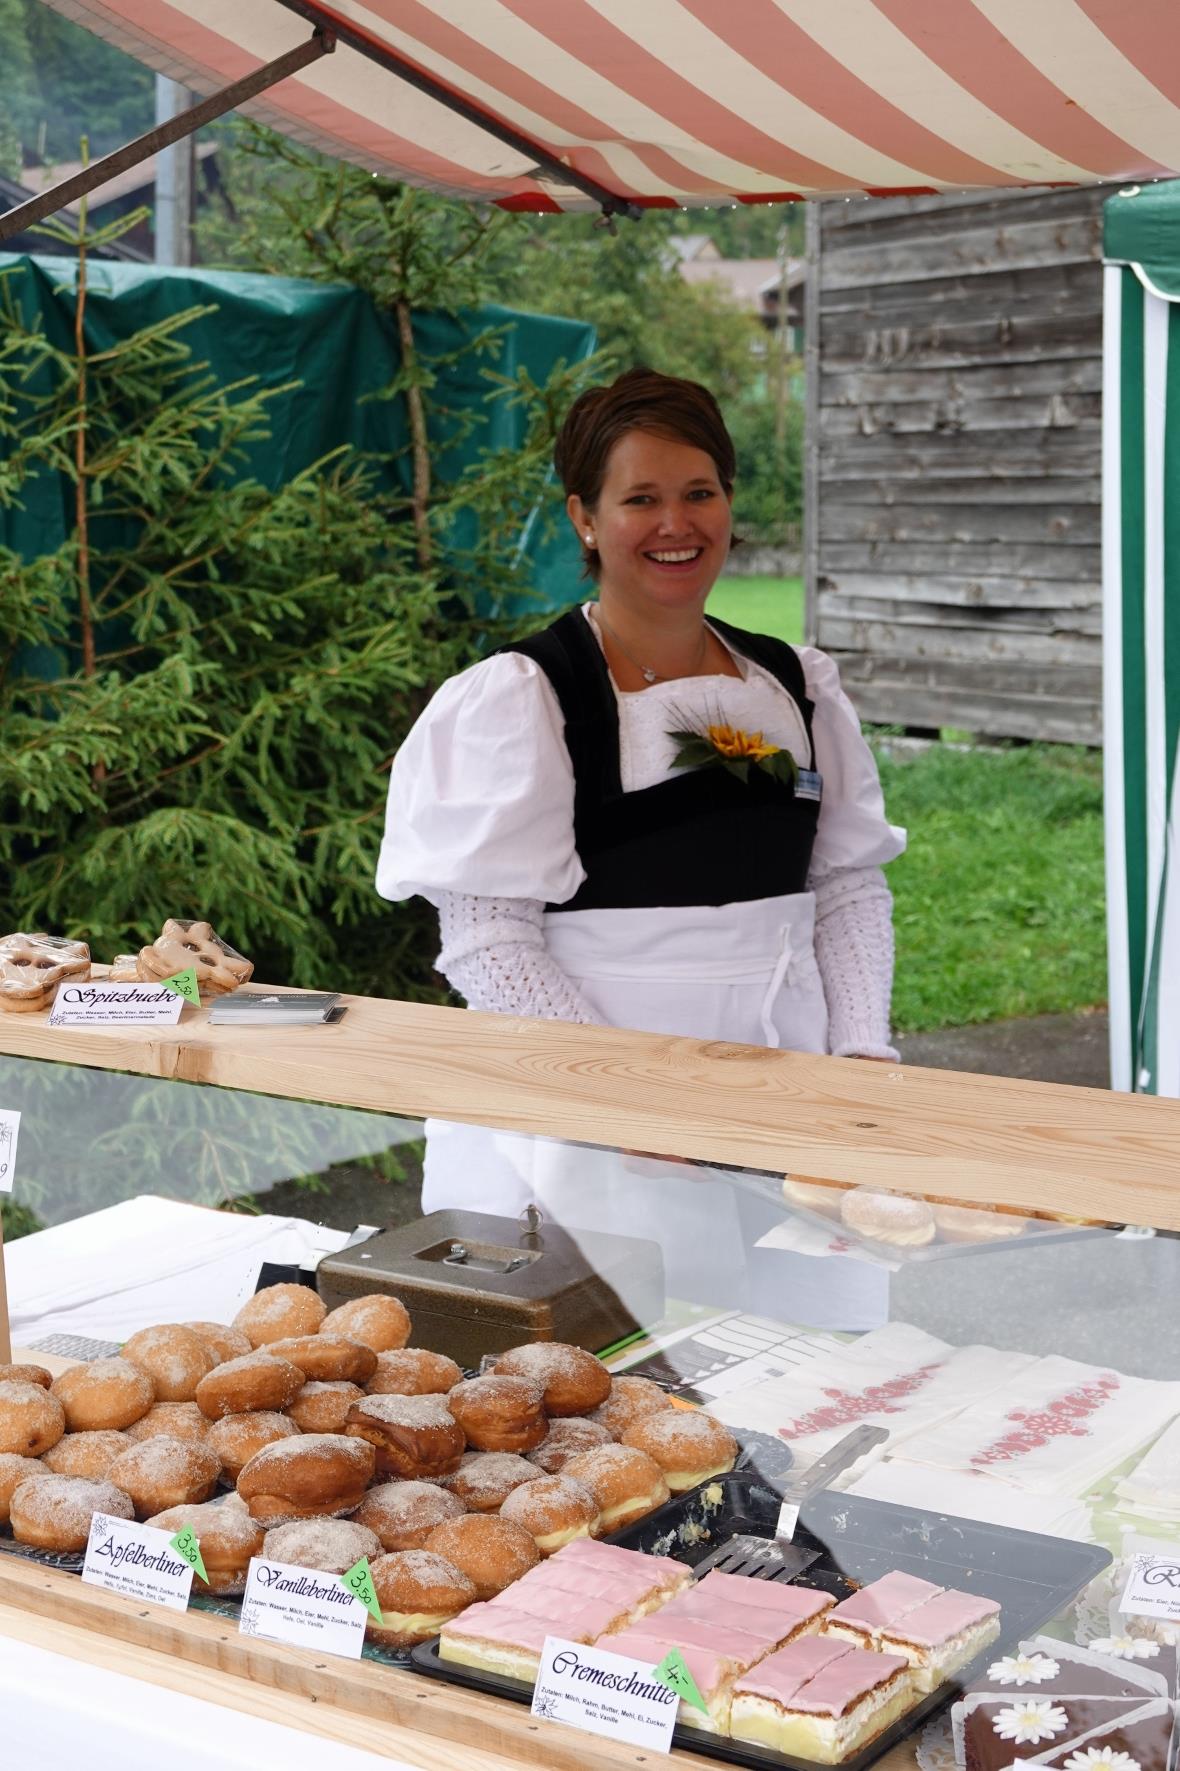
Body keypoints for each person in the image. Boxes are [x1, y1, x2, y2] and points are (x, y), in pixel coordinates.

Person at [377, 369, 905, 1328]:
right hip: (584, 1135)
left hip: (777, 1115)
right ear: (584, 517)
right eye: (642, 498)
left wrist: (860, 1052)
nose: (678, 523)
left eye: (700, 492)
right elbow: (490, 938)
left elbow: (847, 884)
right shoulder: (524, 698)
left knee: (775, 1393)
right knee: (595, 1400)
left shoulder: (796, 686)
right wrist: (627, 1101)